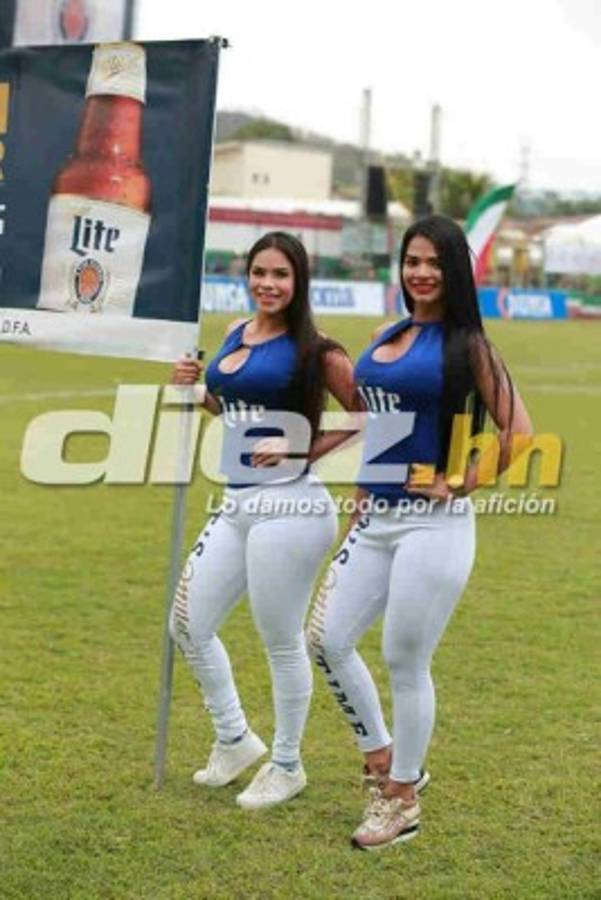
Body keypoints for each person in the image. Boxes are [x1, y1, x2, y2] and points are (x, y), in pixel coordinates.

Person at [306, 214, 533, 850]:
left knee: (405, 659)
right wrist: (361, 491)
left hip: (433, 527)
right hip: (375, 517)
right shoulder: (387, 335)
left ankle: (401, 798)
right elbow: (375, 423)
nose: (421, 272)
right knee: (325, 638)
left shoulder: (471, 347)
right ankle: (383, 755)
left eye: (434, 262)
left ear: (454, 270)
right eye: (412, 261)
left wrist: (456, 482)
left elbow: (519, 434)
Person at [169, 231, 357, 810]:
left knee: (280, 640)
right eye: (259, 272)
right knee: (186, 624)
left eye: (280, 274)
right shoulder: (235, 333)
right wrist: (194, 391)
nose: (267, 284)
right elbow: (229, 409)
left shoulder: (318, 350)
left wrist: (299, 448)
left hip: (292, 506)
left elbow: (372, 416)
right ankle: (234, 739)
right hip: (237, 503)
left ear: (299, 281)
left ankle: (287, 763)